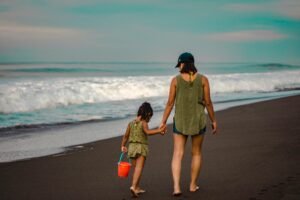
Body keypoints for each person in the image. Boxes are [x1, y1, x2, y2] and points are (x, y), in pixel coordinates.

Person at [160, 52, 217, 196]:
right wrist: (214, 120)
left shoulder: (175, 80)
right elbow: (208, 102)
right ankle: (192, 185)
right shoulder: (203, 80)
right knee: (196, 153)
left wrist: (163, 122)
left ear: (183, 64)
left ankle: (176, 188)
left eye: (179, 65)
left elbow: (170, 103)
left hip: (180, 121)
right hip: (198, 121)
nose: (178, 68)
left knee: (178, 154)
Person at [121, 102, 166, 197]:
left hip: (132, 148)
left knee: (136, 169)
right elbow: (148, 132)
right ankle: (133, 187)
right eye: (150, 117)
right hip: (141, 147)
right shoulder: (144, 123)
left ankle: (136, 187)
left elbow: (125, 136)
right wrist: (159, 130)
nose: (149, 120)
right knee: (139, 168)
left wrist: (123, 146)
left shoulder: (131, 123)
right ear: (148, 114)